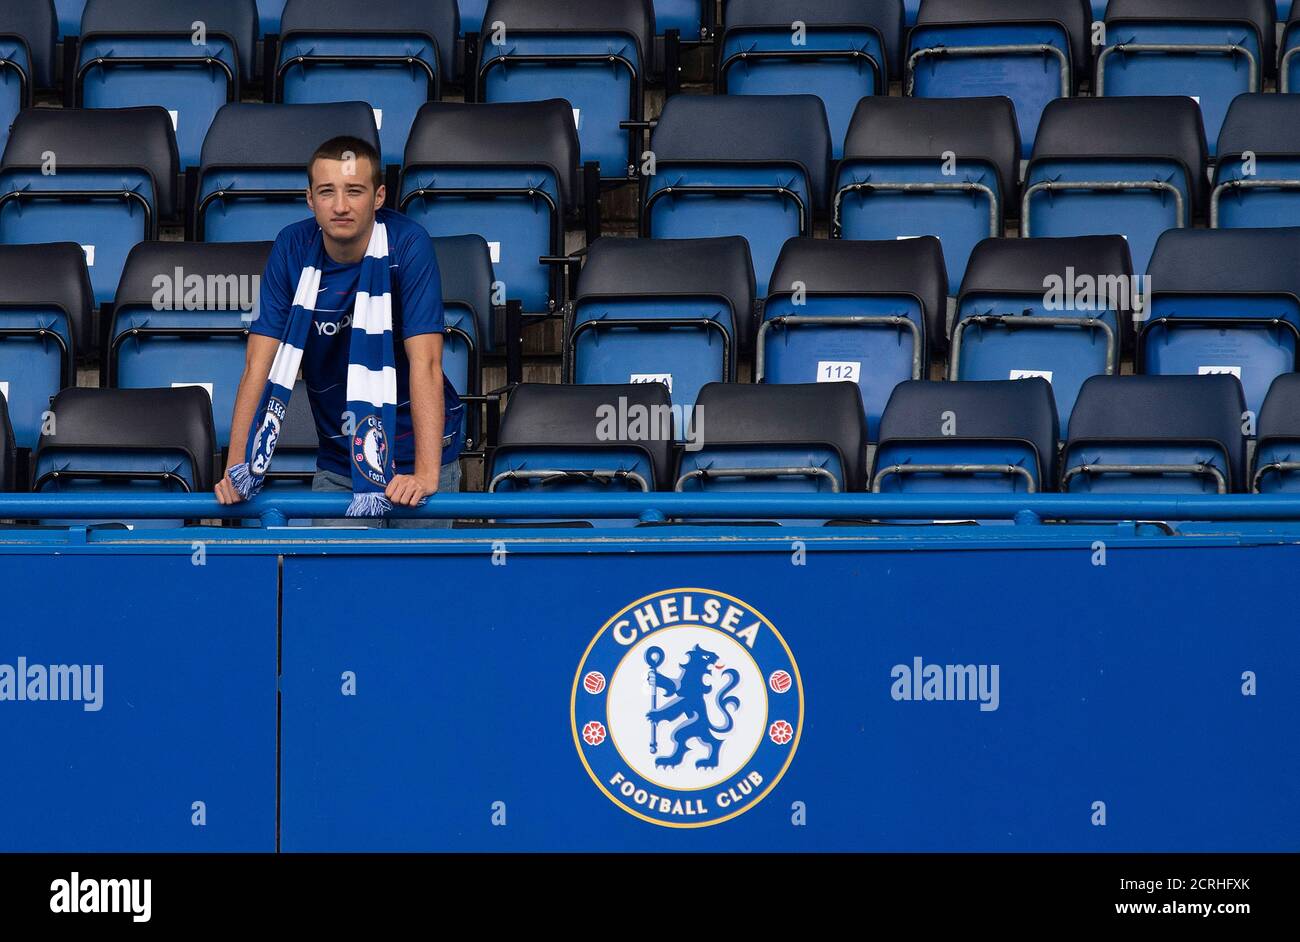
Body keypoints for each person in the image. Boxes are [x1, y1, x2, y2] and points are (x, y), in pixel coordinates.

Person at [215, 135, 463, 527]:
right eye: (327, 192)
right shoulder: (292, 247)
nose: (341, 206)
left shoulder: (408, 244)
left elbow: (427, 362)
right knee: (337, 582)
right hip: (341, 453)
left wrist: (427, 473)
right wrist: (236, 465)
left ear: (379, 196)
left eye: (355, 191)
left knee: (417, 584)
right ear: (310, 198)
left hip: (417, 449)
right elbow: (258, 364)